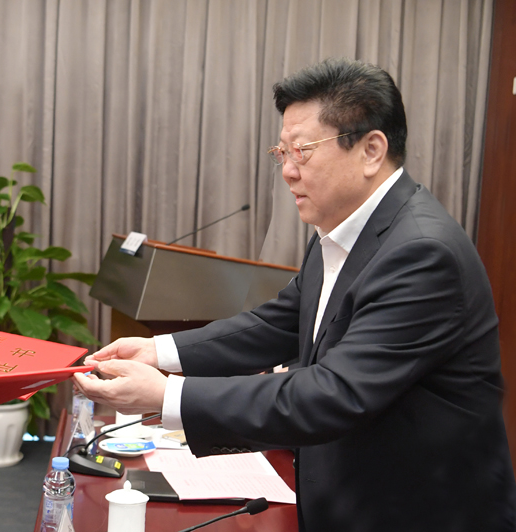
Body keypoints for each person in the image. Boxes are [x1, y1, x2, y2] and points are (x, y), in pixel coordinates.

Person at [74, 58, 516, 531]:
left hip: (419, 512)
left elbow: (335, 392)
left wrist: (169, 394)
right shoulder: (342, 231)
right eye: (281, 152)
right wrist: (159, 351)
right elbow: (278, 323)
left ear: (371, 150)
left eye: (302, 152)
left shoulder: (423, 253)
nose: (287, 171)